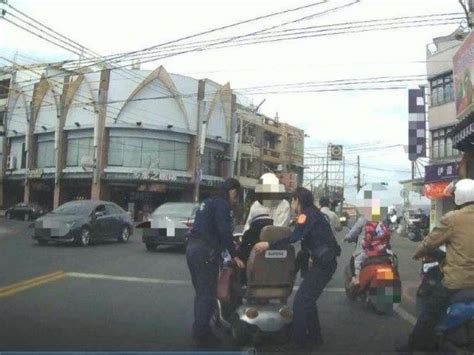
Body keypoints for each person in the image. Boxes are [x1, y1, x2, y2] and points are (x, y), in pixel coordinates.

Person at [253, 187, 340, 351]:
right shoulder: (315, 213)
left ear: (297, 201)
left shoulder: (305, 215)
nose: (291, 204)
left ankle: (297, 342)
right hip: (325, 262)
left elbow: (294, 237)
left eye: (292, 200)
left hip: (323, 264)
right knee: (308, 300)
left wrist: (268, 244)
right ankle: (315, 337)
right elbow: (306, 245)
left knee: (301, 301)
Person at [397, 179, 474, 353]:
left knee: (429, 313)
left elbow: (430, 242)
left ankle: (414, 346)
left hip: (458, 281)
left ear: (459, 197)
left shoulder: (453, 218)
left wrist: (418, 252)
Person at [186, 178, 245, 348]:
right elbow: (225, 232)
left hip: (192, 249)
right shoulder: (222, 205)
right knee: (207, 295)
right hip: (205, 252)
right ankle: (202, 335)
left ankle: (199, 329)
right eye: (236, 196)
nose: (235, 201)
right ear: (232, 191)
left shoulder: (208, 202)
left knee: (201, 293)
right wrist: (235, 256)